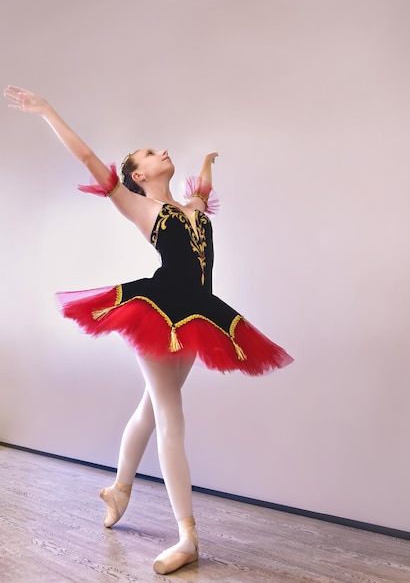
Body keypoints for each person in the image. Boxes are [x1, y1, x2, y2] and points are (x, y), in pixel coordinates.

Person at [3, 85, 293, 575]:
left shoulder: (194, 212)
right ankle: (188, 536)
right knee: (170, 416)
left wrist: (206, 164)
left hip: (200, 317)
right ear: (138, 175)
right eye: (151, 152)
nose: (163, 151)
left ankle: (118, 490)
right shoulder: (142, 208)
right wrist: (48, 110)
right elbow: (91, 159)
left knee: (150, 409)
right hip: (158, 314)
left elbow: (199, 190)